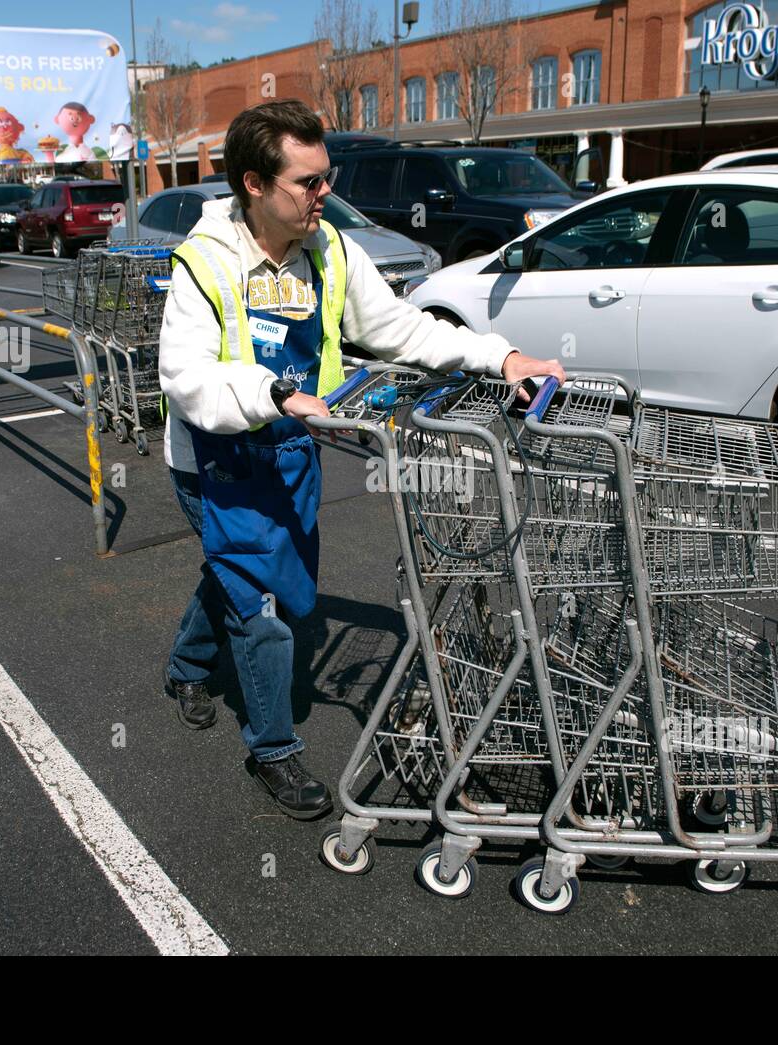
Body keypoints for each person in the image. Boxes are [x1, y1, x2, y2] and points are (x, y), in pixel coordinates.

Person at [157, 99, 564, 820]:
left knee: (239, 572)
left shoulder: (329, 250)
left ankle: (187, 666)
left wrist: (499, 354)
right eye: (308, 182)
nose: (325, 195)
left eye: (327, 177)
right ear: (254, 183)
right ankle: (273, 750)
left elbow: (401, 329)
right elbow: (185, 378)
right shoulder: (204, 261)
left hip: (285, 452)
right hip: (212, 461)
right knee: (262, 605)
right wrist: (275, 392)